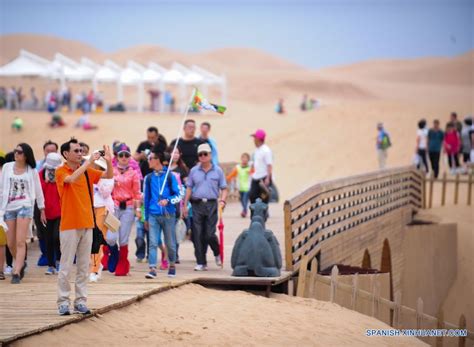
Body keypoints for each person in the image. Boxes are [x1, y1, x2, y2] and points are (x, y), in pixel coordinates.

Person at [55, 138, 113, 315]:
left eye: (81, 151)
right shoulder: (61, 171)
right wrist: (89, 162)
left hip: (87, 223)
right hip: (69, 224)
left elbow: (108, 176)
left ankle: (80, 301)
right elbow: (71, 179)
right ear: (66, 154)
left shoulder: (87, 171)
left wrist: (109, 162)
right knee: (65, 266)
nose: (80, 154)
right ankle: (63, 302)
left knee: (83, 266)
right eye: (76, 151)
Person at [0, 143, 46, 284]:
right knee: (10, 242)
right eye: (15, 151)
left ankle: (16, 271)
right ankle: (20, 262)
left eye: (19, 152)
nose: (16, 153)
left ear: (26, 155)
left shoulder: (31, 170)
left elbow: (38, 190)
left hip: (25, 206)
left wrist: (42, 208)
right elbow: (1, 187)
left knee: (20, 241)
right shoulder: (7, 167)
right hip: (8, 207)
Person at [183, 143, 227, 271]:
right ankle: (201, 262)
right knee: (197, 234)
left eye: (205, 154)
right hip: (196, 204)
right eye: (200, 154)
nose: (203, 156)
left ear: (210, 155)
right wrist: (185, 205)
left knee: (209, 234)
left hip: (212, 204)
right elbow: (189, 188)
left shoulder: (217, 170)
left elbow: (224, 188)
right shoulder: (194, 171)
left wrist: (223, 201)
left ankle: (217, 252)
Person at [143, 151, 181, 278]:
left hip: (168, 215)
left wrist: (168, 200)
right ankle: (152, 268)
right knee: (153, 242)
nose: (148, 160)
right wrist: (146, 217)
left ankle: (172, 265)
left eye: (150, 158)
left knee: (170, 243)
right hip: (153, 214)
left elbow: (178, 195)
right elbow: (146, 199)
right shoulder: (148, 178)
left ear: (157, 159)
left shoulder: (170, 176)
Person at [106, 144, 141, 277]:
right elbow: (103, 188)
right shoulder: (111, 171)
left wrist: (138, 209)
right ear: (117, 157)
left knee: (124, 239)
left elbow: (137, 193)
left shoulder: (134, 173)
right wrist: (110, 184)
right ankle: (114, 254)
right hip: (113, 206)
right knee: (110, 238)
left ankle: (122, 264)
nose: (124, 157)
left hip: (128, 207)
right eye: (121, 155)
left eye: (127, 155)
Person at [88, 157, 114, 282]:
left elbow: (105, 193)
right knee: (89, 240)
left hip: (103, 209)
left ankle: (94, 269)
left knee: (97, 240)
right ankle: (96, 265)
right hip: (89, 209)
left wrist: (97, 182)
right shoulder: (86, 176)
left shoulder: (108, 178)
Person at [35, 140, 59, 266]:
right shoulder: (38, 167)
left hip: (58, 207)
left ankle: (58, 257)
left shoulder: (61, 169)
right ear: (44, 151)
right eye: (48, 150)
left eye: (53, 150)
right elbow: (37, 189)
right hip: (42, 205)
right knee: (43, 234)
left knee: (57, 236)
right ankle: (47, 257)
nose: (50, 153)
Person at [39, 153, 62, 275]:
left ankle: (59, 261)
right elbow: (38, 191)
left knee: (56, 237)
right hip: (45, 211)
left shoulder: (62, 173)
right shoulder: (42, 174)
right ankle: (50, 265)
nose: (52, 170)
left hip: (60, 210)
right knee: (48, 239)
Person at [249, 129, 273, 205]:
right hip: (256, 177)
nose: (253, 140)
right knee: (252, 196)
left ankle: (264, 214)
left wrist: (268, 178)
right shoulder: (257, 150)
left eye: (255, 138)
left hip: (264, 177)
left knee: (264, 197)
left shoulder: (266, 150)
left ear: (258, 139)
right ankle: (255, 215)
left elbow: (269, 165)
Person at [227, 153, 252, 217]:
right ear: (241, 159)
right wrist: (226, 179)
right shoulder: (238, 168)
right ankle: (244, 209)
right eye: (243, 158)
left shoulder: (250, 168)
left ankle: (244, 211)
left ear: (248, 160)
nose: (244, 159)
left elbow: (255, 174)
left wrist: (251, 173)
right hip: (240, 187)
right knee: (241, 200)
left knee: (244, 199)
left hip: (248, 187)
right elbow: (232, 175)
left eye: (246, 158)